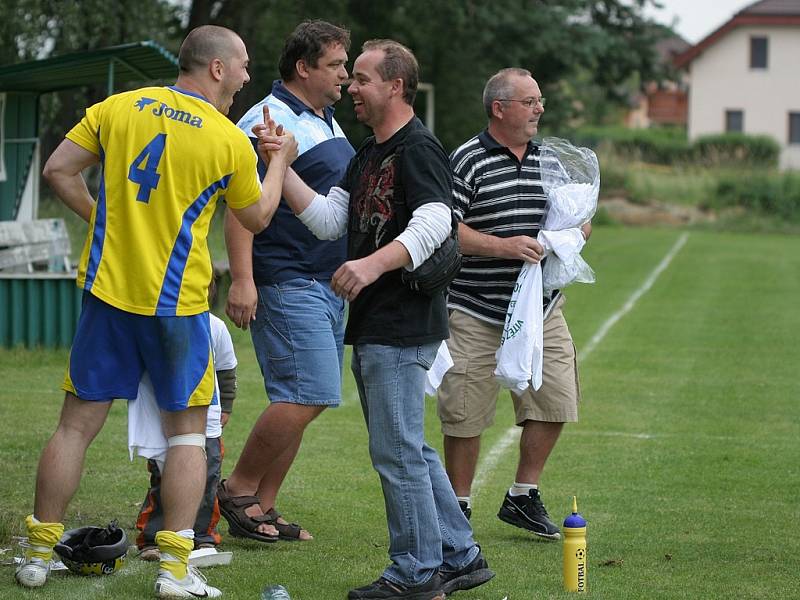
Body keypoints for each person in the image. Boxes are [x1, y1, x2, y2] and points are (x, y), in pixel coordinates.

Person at [16, 25, 297, 598]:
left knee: (74, 428)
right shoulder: (226, 138)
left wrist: (103, 221)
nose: (247, 75)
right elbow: (261, 216)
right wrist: (279, 160)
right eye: (242, 64)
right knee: (188, 438)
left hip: (107, 297)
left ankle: (39, 555)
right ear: (216, 69)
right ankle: (174, 570)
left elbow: (57, 171)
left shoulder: (117, 108)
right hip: (178, 309)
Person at [260, 39, 494, 600]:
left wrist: (370, 265)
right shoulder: (367, 152)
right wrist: (281, 164)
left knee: (396, 452)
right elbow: (326, 219)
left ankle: (415, 572)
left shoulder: (419, 148)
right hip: (375, 323)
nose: (351, 88)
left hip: (401, 321)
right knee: (408, 447)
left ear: (395, 86)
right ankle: (459, 556)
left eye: (362, 78)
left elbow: (438, 219)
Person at [436, 68, 590, 540]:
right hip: (475, 307)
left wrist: (572, 236)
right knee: (465, 413)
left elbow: (579, 220)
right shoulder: (465, 159)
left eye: (539, 100)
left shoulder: (550, 159)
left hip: (542, 309)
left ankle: (523, 495)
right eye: (529, 101)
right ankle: (456, 510)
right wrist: (503, 247)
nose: (539, 109)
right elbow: (445, 227)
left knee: (557, 400)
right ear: (499, 108)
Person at [218, 20, 354, 543]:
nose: (345, 74)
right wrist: (244, 280)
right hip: (286, 278)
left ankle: (263, 507)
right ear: (304, 67)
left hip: (326, 282)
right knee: (309, 393)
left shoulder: (327, 119)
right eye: (336, 65)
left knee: (299, 396)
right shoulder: (265, 121)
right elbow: (241, 207)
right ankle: (236, 488)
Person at [132, 282, 238, 561]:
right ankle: (153, 537)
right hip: (166, 422)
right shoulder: (157, 325)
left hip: (209, 423)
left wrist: (225, 406)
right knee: (162, 479)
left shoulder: (215, 326)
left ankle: (202, 536)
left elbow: (226, 369)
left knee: (208, 481)